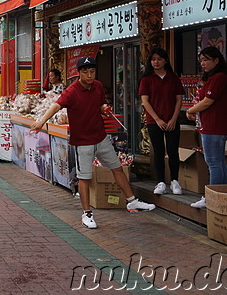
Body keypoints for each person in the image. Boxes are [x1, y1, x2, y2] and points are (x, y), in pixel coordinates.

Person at [31, 56, 155, 230]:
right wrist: (41, 121)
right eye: (85, 71)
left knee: (117, 168)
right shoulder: (72, 91)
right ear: (79, 73)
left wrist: (104, 109)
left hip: (101, 137)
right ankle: (87, 213)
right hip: (82, 141)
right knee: (85, 178)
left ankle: (131, 201)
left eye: (92, 71)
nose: (89, 75)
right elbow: (56, 106)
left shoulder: (97, 86)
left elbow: (100, 105)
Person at [186, 46, 227, 209]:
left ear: (216, 60)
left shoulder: (219, 78)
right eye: (201, 60)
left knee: (213, 162)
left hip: (214, 126)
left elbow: (208, 101)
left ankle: (211, 197)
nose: (203, 63)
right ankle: (225, 194)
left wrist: (191, 110)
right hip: (213, 125)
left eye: (206, 60)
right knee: (219, 162)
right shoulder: (215, 77)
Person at [138, 48, 184, 196]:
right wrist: (157, 119)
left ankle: (175, 181)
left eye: (159, 59)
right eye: (153, 59)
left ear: (165, 60)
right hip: (154, 121)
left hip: (172, 120)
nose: (156, 62)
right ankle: (161, 182)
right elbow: (145, 101)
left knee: (173, 151)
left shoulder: (173, 78)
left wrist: (174, 119)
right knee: (158, 152)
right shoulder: (146, 79)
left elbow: (179, 100)